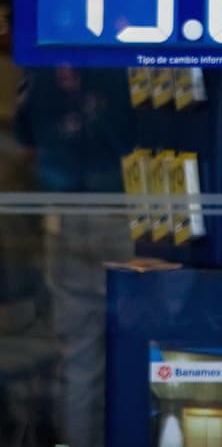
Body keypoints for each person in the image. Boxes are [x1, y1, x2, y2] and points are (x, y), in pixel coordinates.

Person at [13, 66, 136, 447]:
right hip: (125, 215)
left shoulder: (42, 65)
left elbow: (26, 137)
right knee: (135, 350)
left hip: (65, 216)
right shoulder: (126, 61)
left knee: (81, 361)